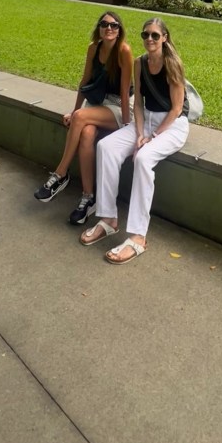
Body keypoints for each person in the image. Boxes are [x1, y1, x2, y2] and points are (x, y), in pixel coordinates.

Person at [80, 16, 189, 263]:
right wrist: (140, 133)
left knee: (143, 158)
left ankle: (138, 237)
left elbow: (176, 109)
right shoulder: (140, 63)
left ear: (164, 38)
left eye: (155, 35)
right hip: (145, 119)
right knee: (106, 146)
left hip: (172, 126)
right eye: (145, 34)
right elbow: (138, 103)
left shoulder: (172, 64)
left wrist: (153, 137)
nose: (149, 39)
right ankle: (108, 219)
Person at [34, 11, 133, 224]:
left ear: (119, 30)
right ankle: (88, 198)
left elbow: (125, 92)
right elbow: (85, 81)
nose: (109, 28)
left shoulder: (123, 51)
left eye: (114, 25)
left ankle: (60, 174)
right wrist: (74, 111)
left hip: (117, 105)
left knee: (80, 118)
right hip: (96, 103)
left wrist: (127, 127)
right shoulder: (93, 48)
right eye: (104, 24)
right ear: (99, 28)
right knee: (86, 133)